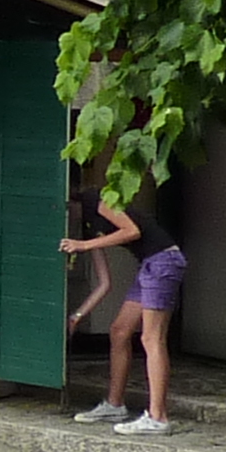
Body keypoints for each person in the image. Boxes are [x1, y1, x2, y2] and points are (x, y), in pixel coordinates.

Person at [65, 183, 184, 432]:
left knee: (152, 338)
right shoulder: (88, 226)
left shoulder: (96, 198)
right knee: (119, 332)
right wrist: (77, 316)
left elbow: (132, 230)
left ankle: (158, 417)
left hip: (163, 261)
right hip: (149, 265)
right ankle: (114, 404)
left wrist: (83, 246)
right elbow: (104, 282)